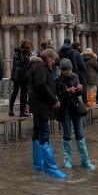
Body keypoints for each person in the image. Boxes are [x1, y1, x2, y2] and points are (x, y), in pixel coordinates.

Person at [27, 48, 67, 178]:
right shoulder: (40, 67)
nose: (54, 62)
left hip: (37, 104)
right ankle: (50, 168)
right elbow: (42, 86)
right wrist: (54, 100)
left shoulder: (37, 65)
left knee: (37, 133)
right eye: (53, 60)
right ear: (48, 58)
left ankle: (39, 164)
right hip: (41, 105)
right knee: (44, 134)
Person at [55, 59, 95, 170]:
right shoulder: (57, 79)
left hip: (76, 108)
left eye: (69, 70)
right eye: (65, 71)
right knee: (67, 134)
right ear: (61, 70)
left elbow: (79, 93)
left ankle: (85, 161)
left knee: (80, 134)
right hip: (65, 109)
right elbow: (58, 94)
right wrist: (67, 91)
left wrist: (79, 89)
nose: (67, 72)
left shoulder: (75, 76)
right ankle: (67, 161)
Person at [8, 39, 33, 117]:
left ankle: (10, 110)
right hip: (24, 76)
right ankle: (22, 112)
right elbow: (29, 64)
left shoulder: (16, 53)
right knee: (23, 93)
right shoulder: (26, 54)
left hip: (16, 75)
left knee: (15, 92)